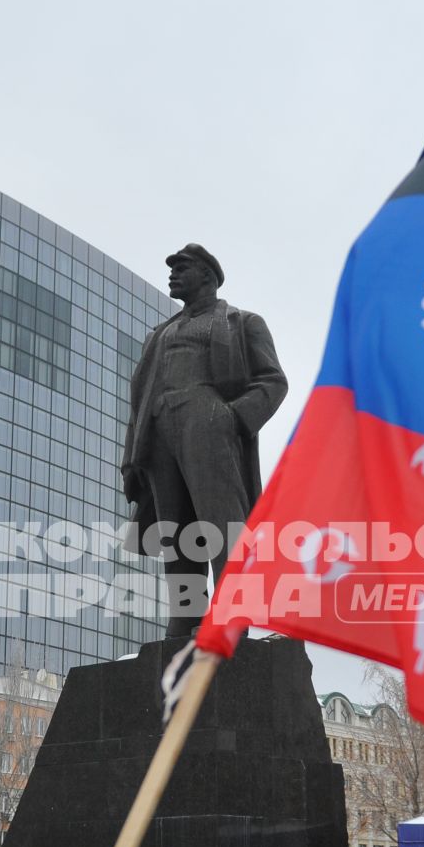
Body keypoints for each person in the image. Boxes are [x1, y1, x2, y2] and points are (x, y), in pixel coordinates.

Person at [122, 243, 288, 635]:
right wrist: (133, 455)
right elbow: (139, 397)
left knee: (221, 523)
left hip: (208, 420)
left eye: (183, 267)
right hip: (160, 431)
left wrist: (231, 418)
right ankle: (186, 618)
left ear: (208, 276)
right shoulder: (158, 335)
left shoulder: (241, 322)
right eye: (172, 268)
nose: (173, 274)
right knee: (176, 531)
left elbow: (274, 381)